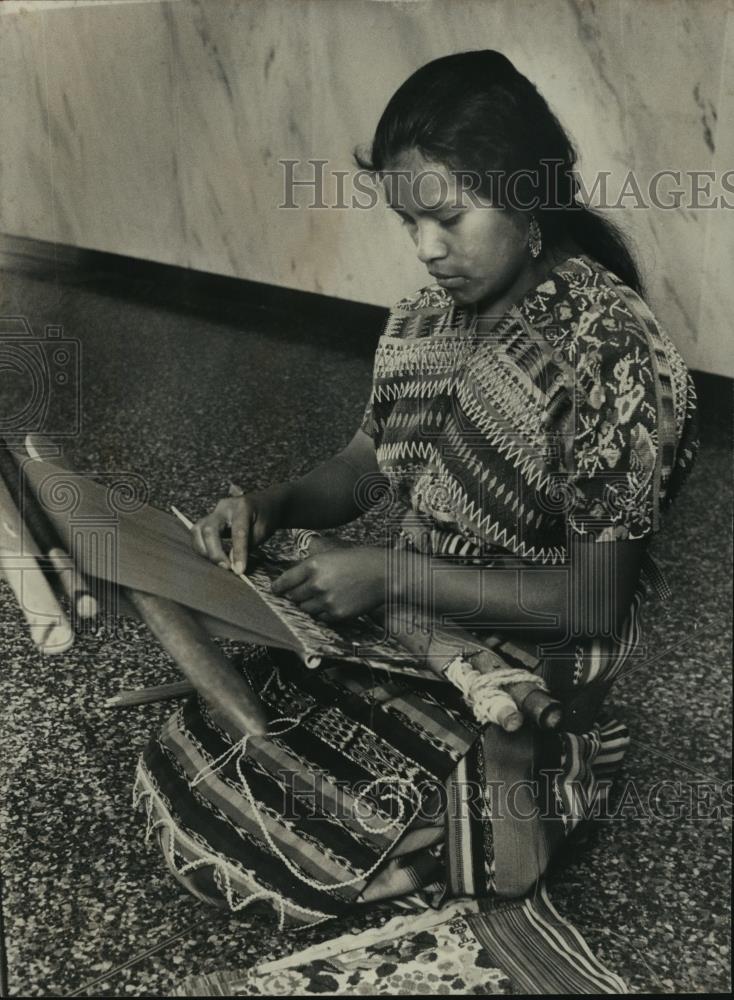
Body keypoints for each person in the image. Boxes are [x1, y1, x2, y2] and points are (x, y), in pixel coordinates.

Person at [135, 50, 698, 929]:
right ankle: (459, 818)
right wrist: (271, 506)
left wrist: (392, 577)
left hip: (535, 644)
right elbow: (365, 468)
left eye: (447, 218)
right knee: (197, 768)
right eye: (409, 224)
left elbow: (593, 599)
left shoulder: (611, 352)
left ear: (526, 192)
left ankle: (536, 773)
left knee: (293, 825)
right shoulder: (425, 320)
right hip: (418, 619)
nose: (428, 250)